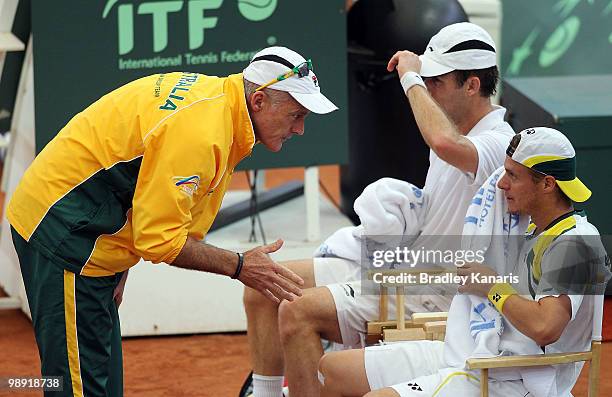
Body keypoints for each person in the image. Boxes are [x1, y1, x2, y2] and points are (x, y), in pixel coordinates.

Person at [6, 46, 337, 397]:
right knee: (79, 388)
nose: (299, 129)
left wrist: (121, 267)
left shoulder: (221, 109)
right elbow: (159, 240)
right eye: (296, 115)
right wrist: (241, 266)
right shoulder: (202, 132)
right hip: (64, 236)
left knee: (98, 379)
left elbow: (143, 188)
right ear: (258, 101)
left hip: (91, 234)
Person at [243, 22, 515, 397]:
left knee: (298, 310)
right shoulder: (457, 131)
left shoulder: (498, 143)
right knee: (263, 286)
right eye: (427, 80)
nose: (428, 88)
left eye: (436, 81)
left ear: (471, 85)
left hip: (434, 291)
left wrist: (410, 78)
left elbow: (442, 141)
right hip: (401, 267)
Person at [318, 127, 610, 397]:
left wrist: (490, 285)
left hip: (513, 378)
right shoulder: (528, 230)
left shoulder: (576, 242)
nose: (501, 184)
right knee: (333, 371)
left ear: (547, 184)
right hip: (478, 355)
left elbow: (546, 327)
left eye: (513, 176)